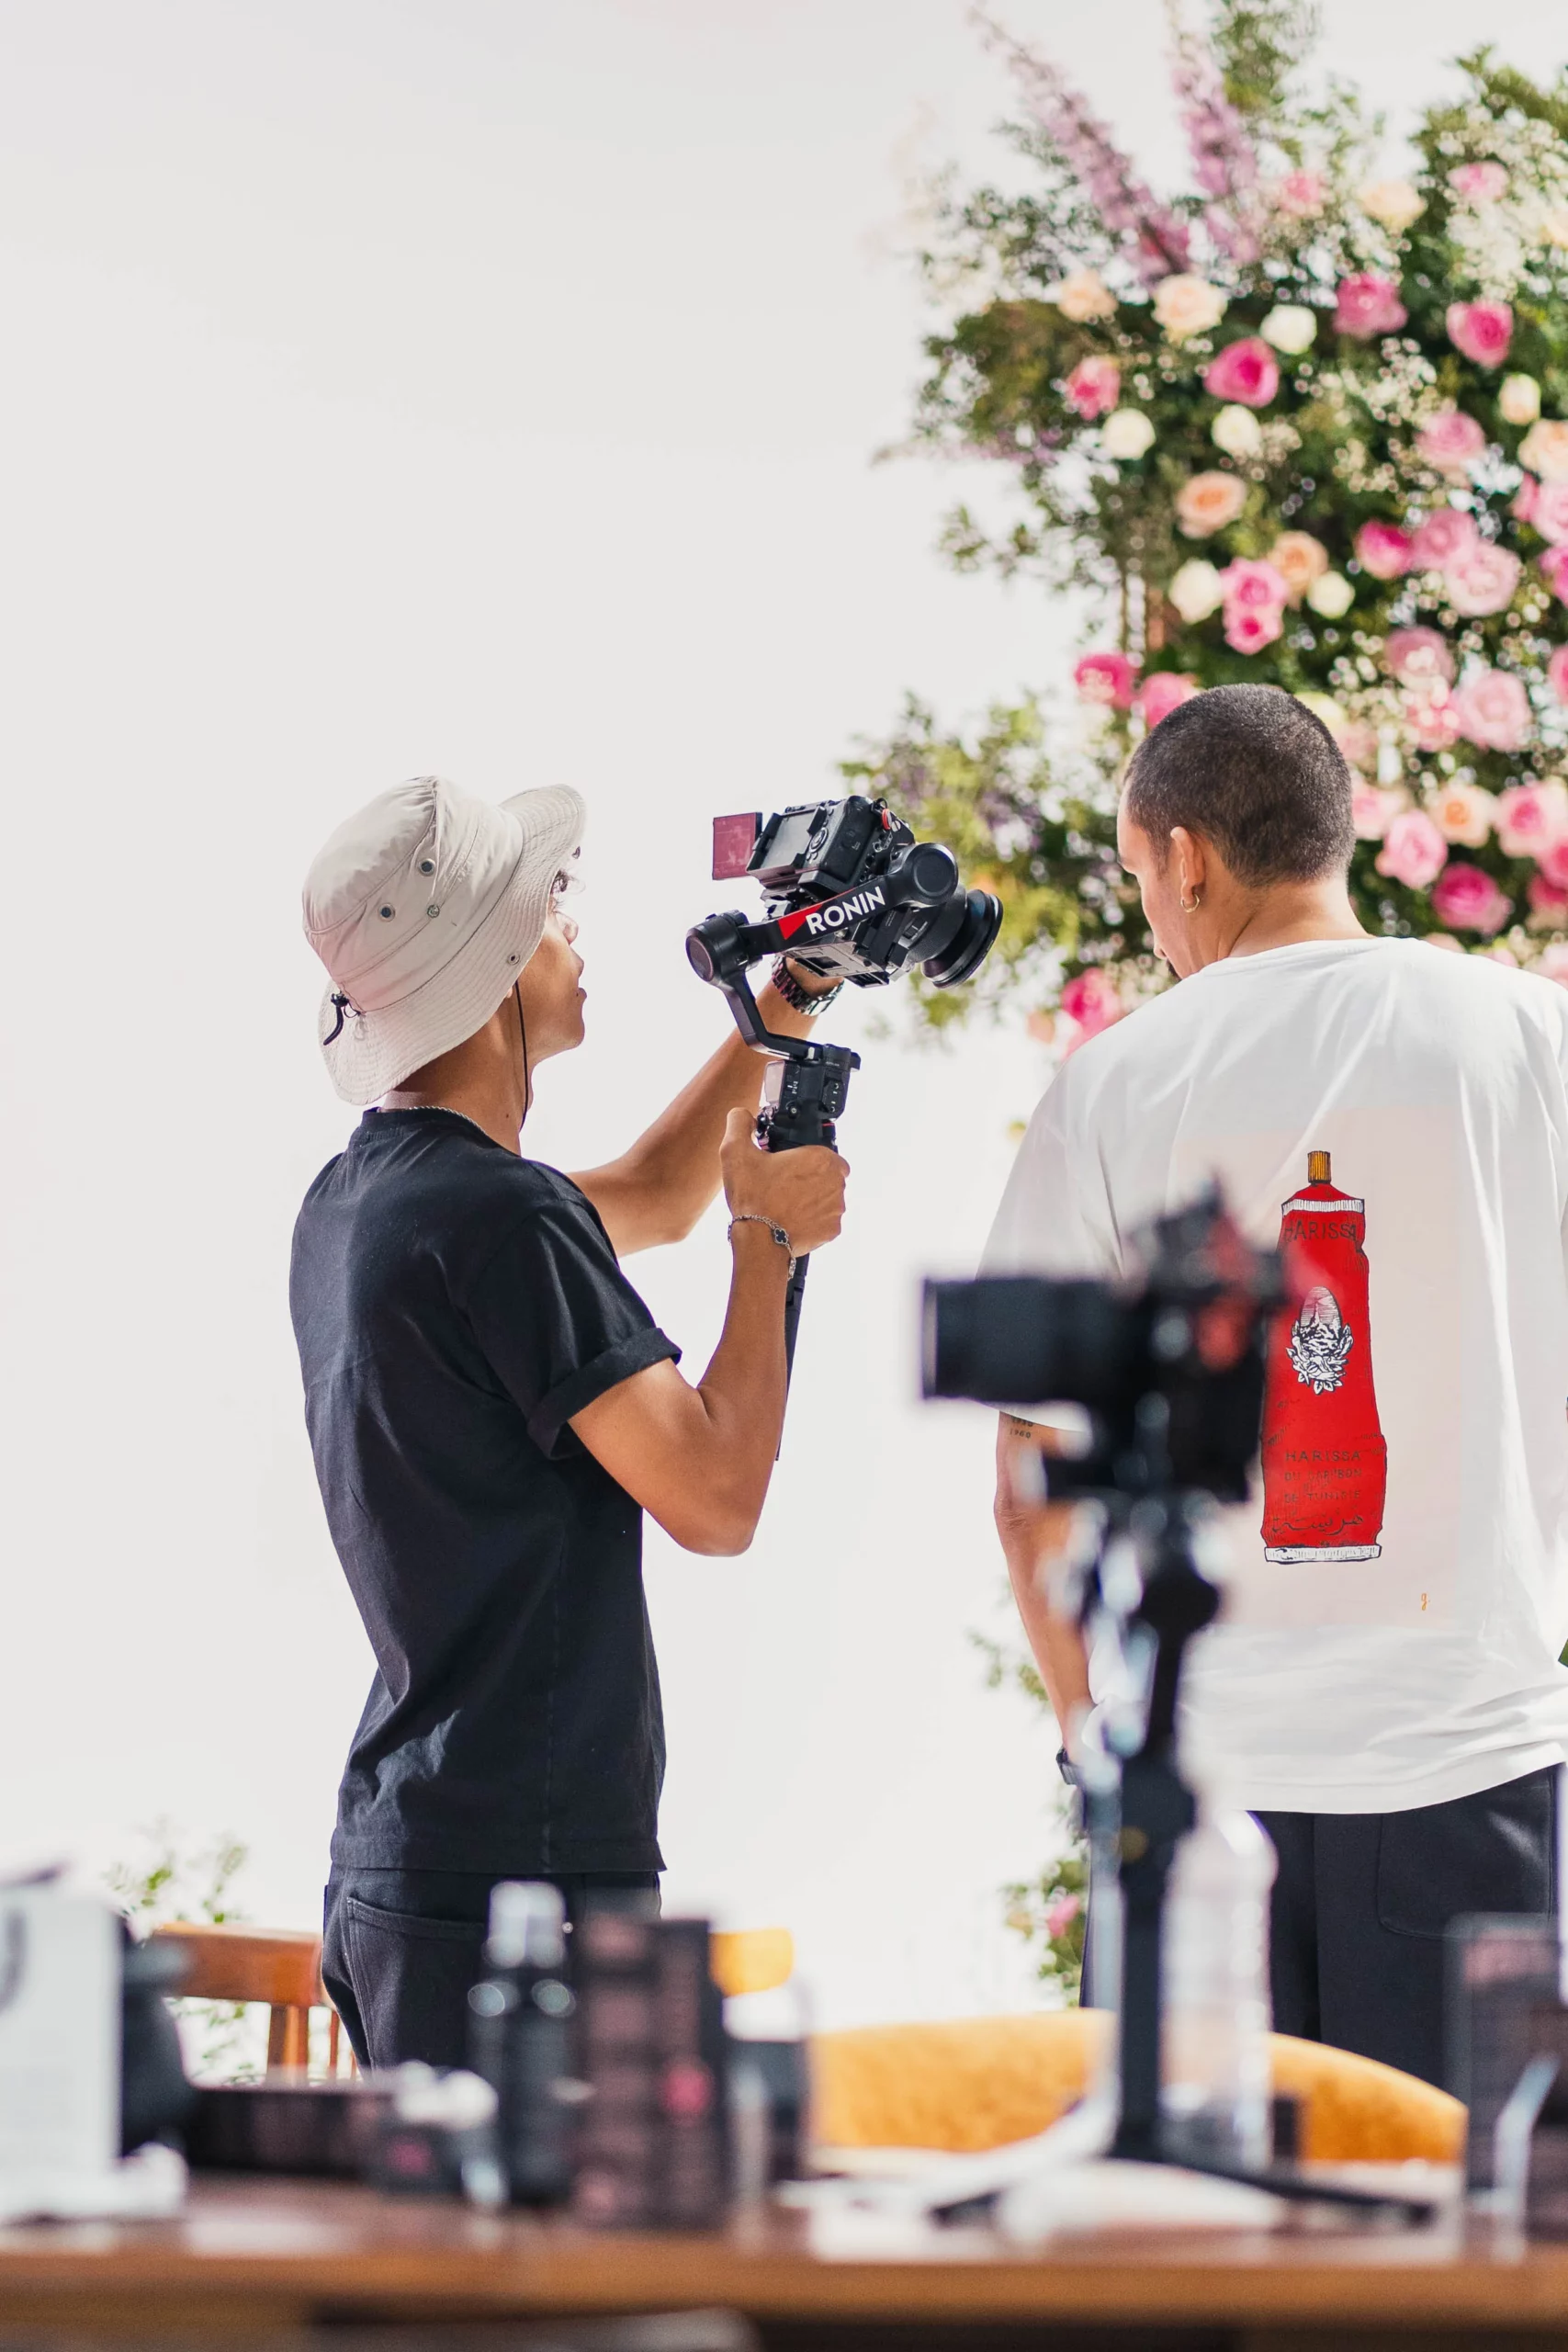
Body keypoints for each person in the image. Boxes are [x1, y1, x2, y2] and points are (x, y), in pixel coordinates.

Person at [985, 683, 1568, 2089]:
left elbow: (1025, 1479)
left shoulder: (1114, 1082)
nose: (1150, 918)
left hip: (1200, 1785)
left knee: (1190, 2205)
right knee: (1467, 2206)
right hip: (1473, 1759)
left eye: (1140, 879)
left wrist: (1083, 1732)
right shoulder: (1534, 1037)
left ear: (1185, 859)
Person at [290, 775, 849, 2068]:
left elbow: (653, 1193)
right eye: (549, 906)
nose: (572, 926)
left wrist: (792, 994)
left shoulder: (364, 1201)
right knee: (555, 2214)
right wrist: (769, 1242)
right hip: (521, 1883)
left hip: (412, 1862)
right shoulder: (502, 1217)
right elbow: (717, 1500)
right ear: (494, 967)